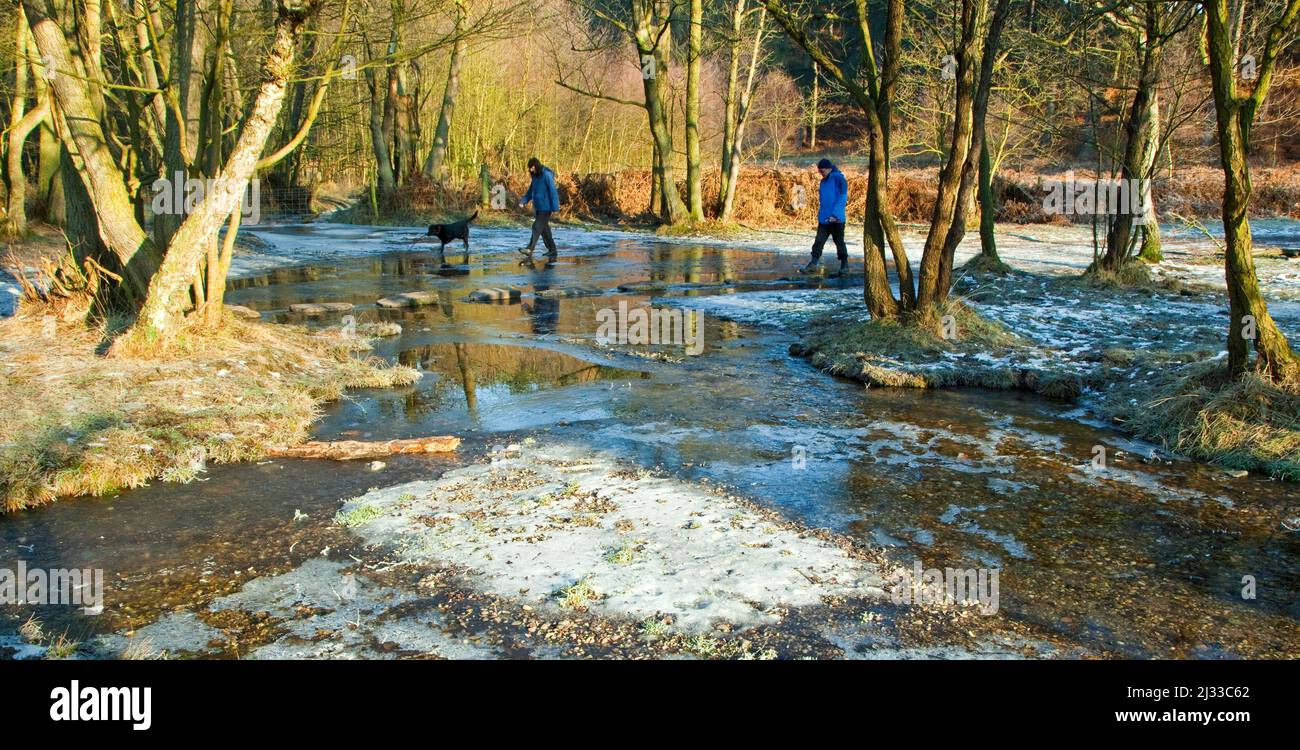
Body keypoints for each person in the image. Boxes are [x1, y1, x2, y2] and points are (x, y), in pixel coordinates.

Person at [801, 158, 849, 276]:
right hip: (824, 219)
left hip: (836, 220)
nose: (821, 173)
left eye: (822, 171)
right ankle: (812, 265)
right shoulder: (823, 181)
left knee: (839, 242)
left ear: (829, 168)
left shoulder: (839, 179)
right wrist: (822, 216)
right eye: (819, 171)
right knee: (818, 242)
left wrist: (835, 215)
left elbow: (842, 198)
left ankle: (844, 266)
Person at [518, 157, 559, 260]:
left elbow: (552, 191)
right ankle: (552, 250)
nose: (530, 170)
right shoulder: (535, 177)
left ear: (536, 166)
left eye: (531, 168)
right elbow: (530, 191)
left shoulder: (547, 175)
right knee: (545, 230)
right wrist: (523, 201)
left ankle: (529, 249)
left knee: (536, 226)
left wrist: (555, 207)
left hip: (546, 207)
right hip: (538, 208)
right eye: (529, 168)